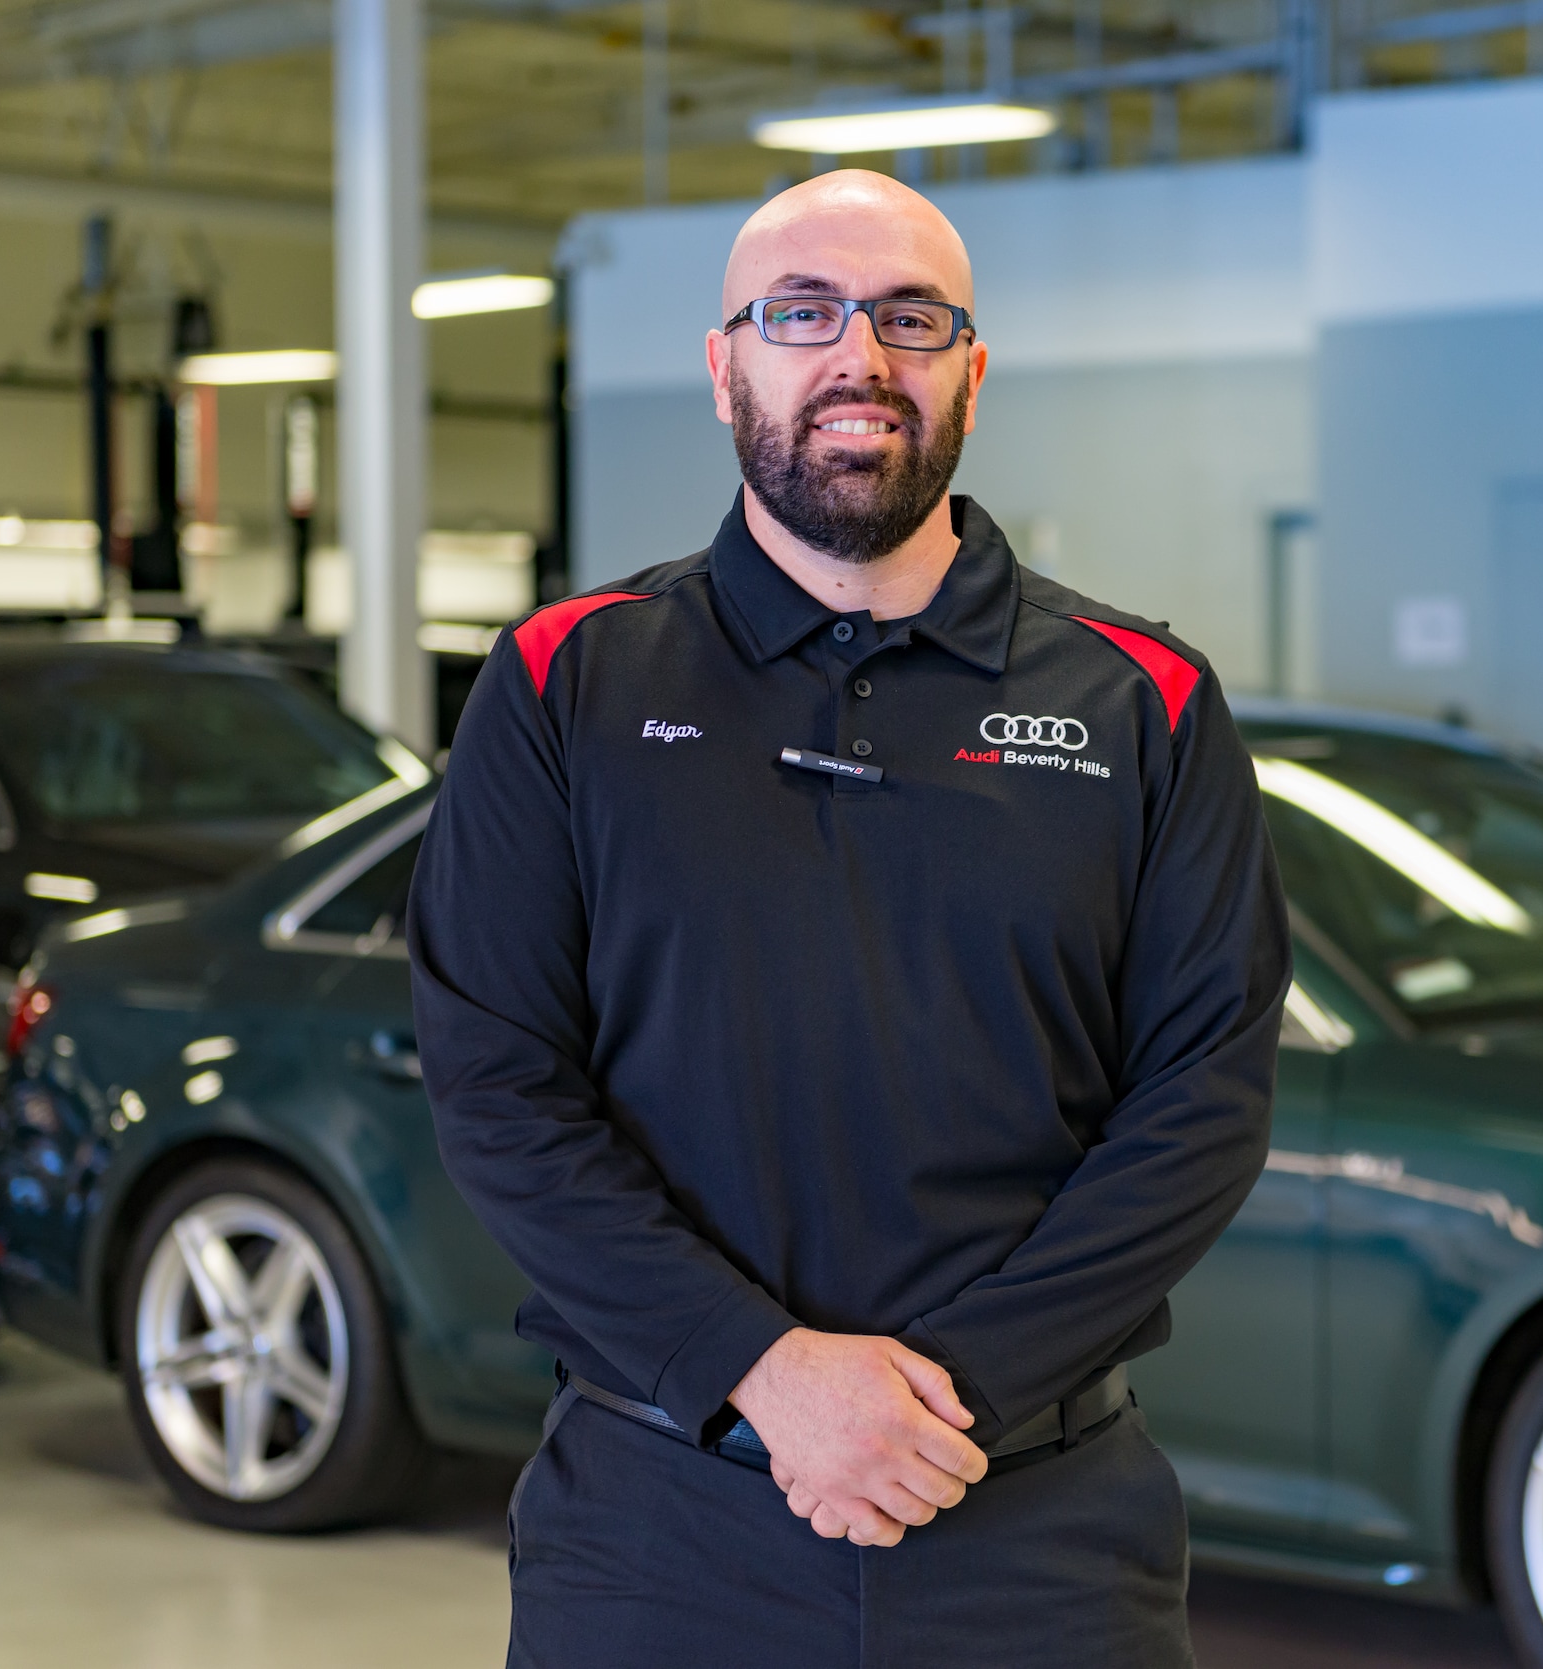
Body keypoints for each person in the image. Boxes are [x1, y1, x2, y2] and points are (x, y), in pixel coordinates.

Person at [409, 168, 1288, 1667]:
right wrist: (761, 1369)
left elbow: (1201, 1104)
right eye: (801, 312)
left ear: (971, 370)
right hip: (657, 1525)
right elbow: (498, 1085)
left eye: (910, 316)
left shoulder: (1144, 701)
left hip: (1039, 1534)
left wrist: (943, 1393)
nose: (857, 356)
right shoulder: (568, 680)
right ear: (722, 364)